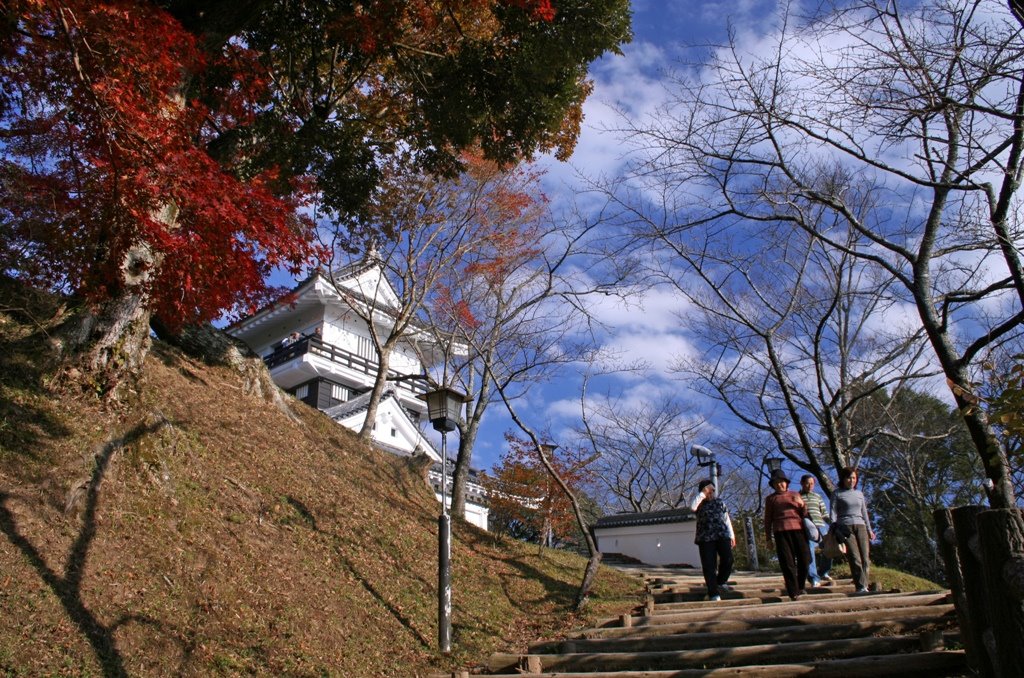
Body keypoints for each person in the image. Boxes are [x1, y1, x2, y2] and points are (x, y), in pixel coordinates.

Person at [764, 471, 811, 601]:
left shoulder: (795, 494)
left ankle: (800, 586)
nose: (779, 484)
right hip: (780, 531)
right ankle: (793, 591)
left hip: (799, 530)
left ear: (786, 483)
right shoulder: (771, 499)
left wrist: (801, 504)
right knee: (787, 562)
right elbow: (768, 519)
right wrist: (768, 538)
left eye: (781, 482)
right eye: (776, 483)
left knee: (805, 559)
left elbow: (806, 513)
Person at [830, 466, 875, 593]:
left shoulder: (859, 494)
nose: (852, 480)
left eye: (854, 478)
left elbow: (864, 512)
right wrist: (833, 526)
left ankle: (864, 585)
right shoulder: (837, 493)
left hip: (861, 526)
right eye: (849, 478)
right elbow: (832, 511)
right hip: (845, 526)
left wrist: (869, 530)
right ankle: (860, 586)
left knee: (865, 558)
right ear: (843, 479)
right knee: (855, 557)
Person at [690, 479, 735, 602]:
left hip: (722, 534)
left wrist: (732, 535)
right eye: (709, 490)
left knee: (728, 559)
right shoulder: (699, 503)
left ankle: (720, 581)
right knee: (709, 565)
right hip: (705, 537)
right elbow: (692, 507)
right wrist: (703, 493)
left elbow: (726, 519)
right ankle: (713, 592)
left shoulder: (720, 502)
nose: (712, 492)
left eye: (713, 490)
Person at [799, 474, 832, 587]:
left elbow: (824, 513)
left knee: (829, 549)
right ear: (802, 483)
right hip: (807, 527)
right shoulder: (797, 496)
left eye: (812, 483)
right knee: (810, 551)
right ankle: (814, 578)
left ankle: (824, 571)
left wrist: (832, 523)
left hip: (821, 525)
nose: (810, 486)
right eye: (807, 483)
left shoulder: (817, 496)